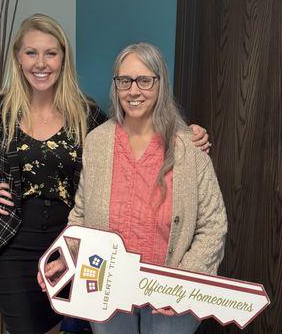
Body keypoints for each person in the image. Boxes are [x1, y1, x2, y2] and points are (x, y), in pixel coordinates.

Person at [0, 14, 211, 334]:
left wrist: (186, 135)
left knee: (69, 327)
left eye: (51, 53)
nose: (41, 63)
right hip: (11, 247)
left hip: (71, 245)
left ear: (63, 58)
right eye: (31, 53)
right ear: (18, 58)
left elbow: (132, 133)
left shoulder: (84, 111)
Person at [39, 42, 227, 334]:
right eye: (124, 81)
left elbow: (213, 224)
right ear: (116, 86)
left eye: (145, 80)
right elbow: (81, 215)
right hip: (107, 287)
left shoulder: (188, 148)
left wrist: (182, 283)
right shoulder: (98, 142)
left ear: (161, 84)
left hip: (169, 296)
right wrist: (67, 257)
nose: (133, 90)